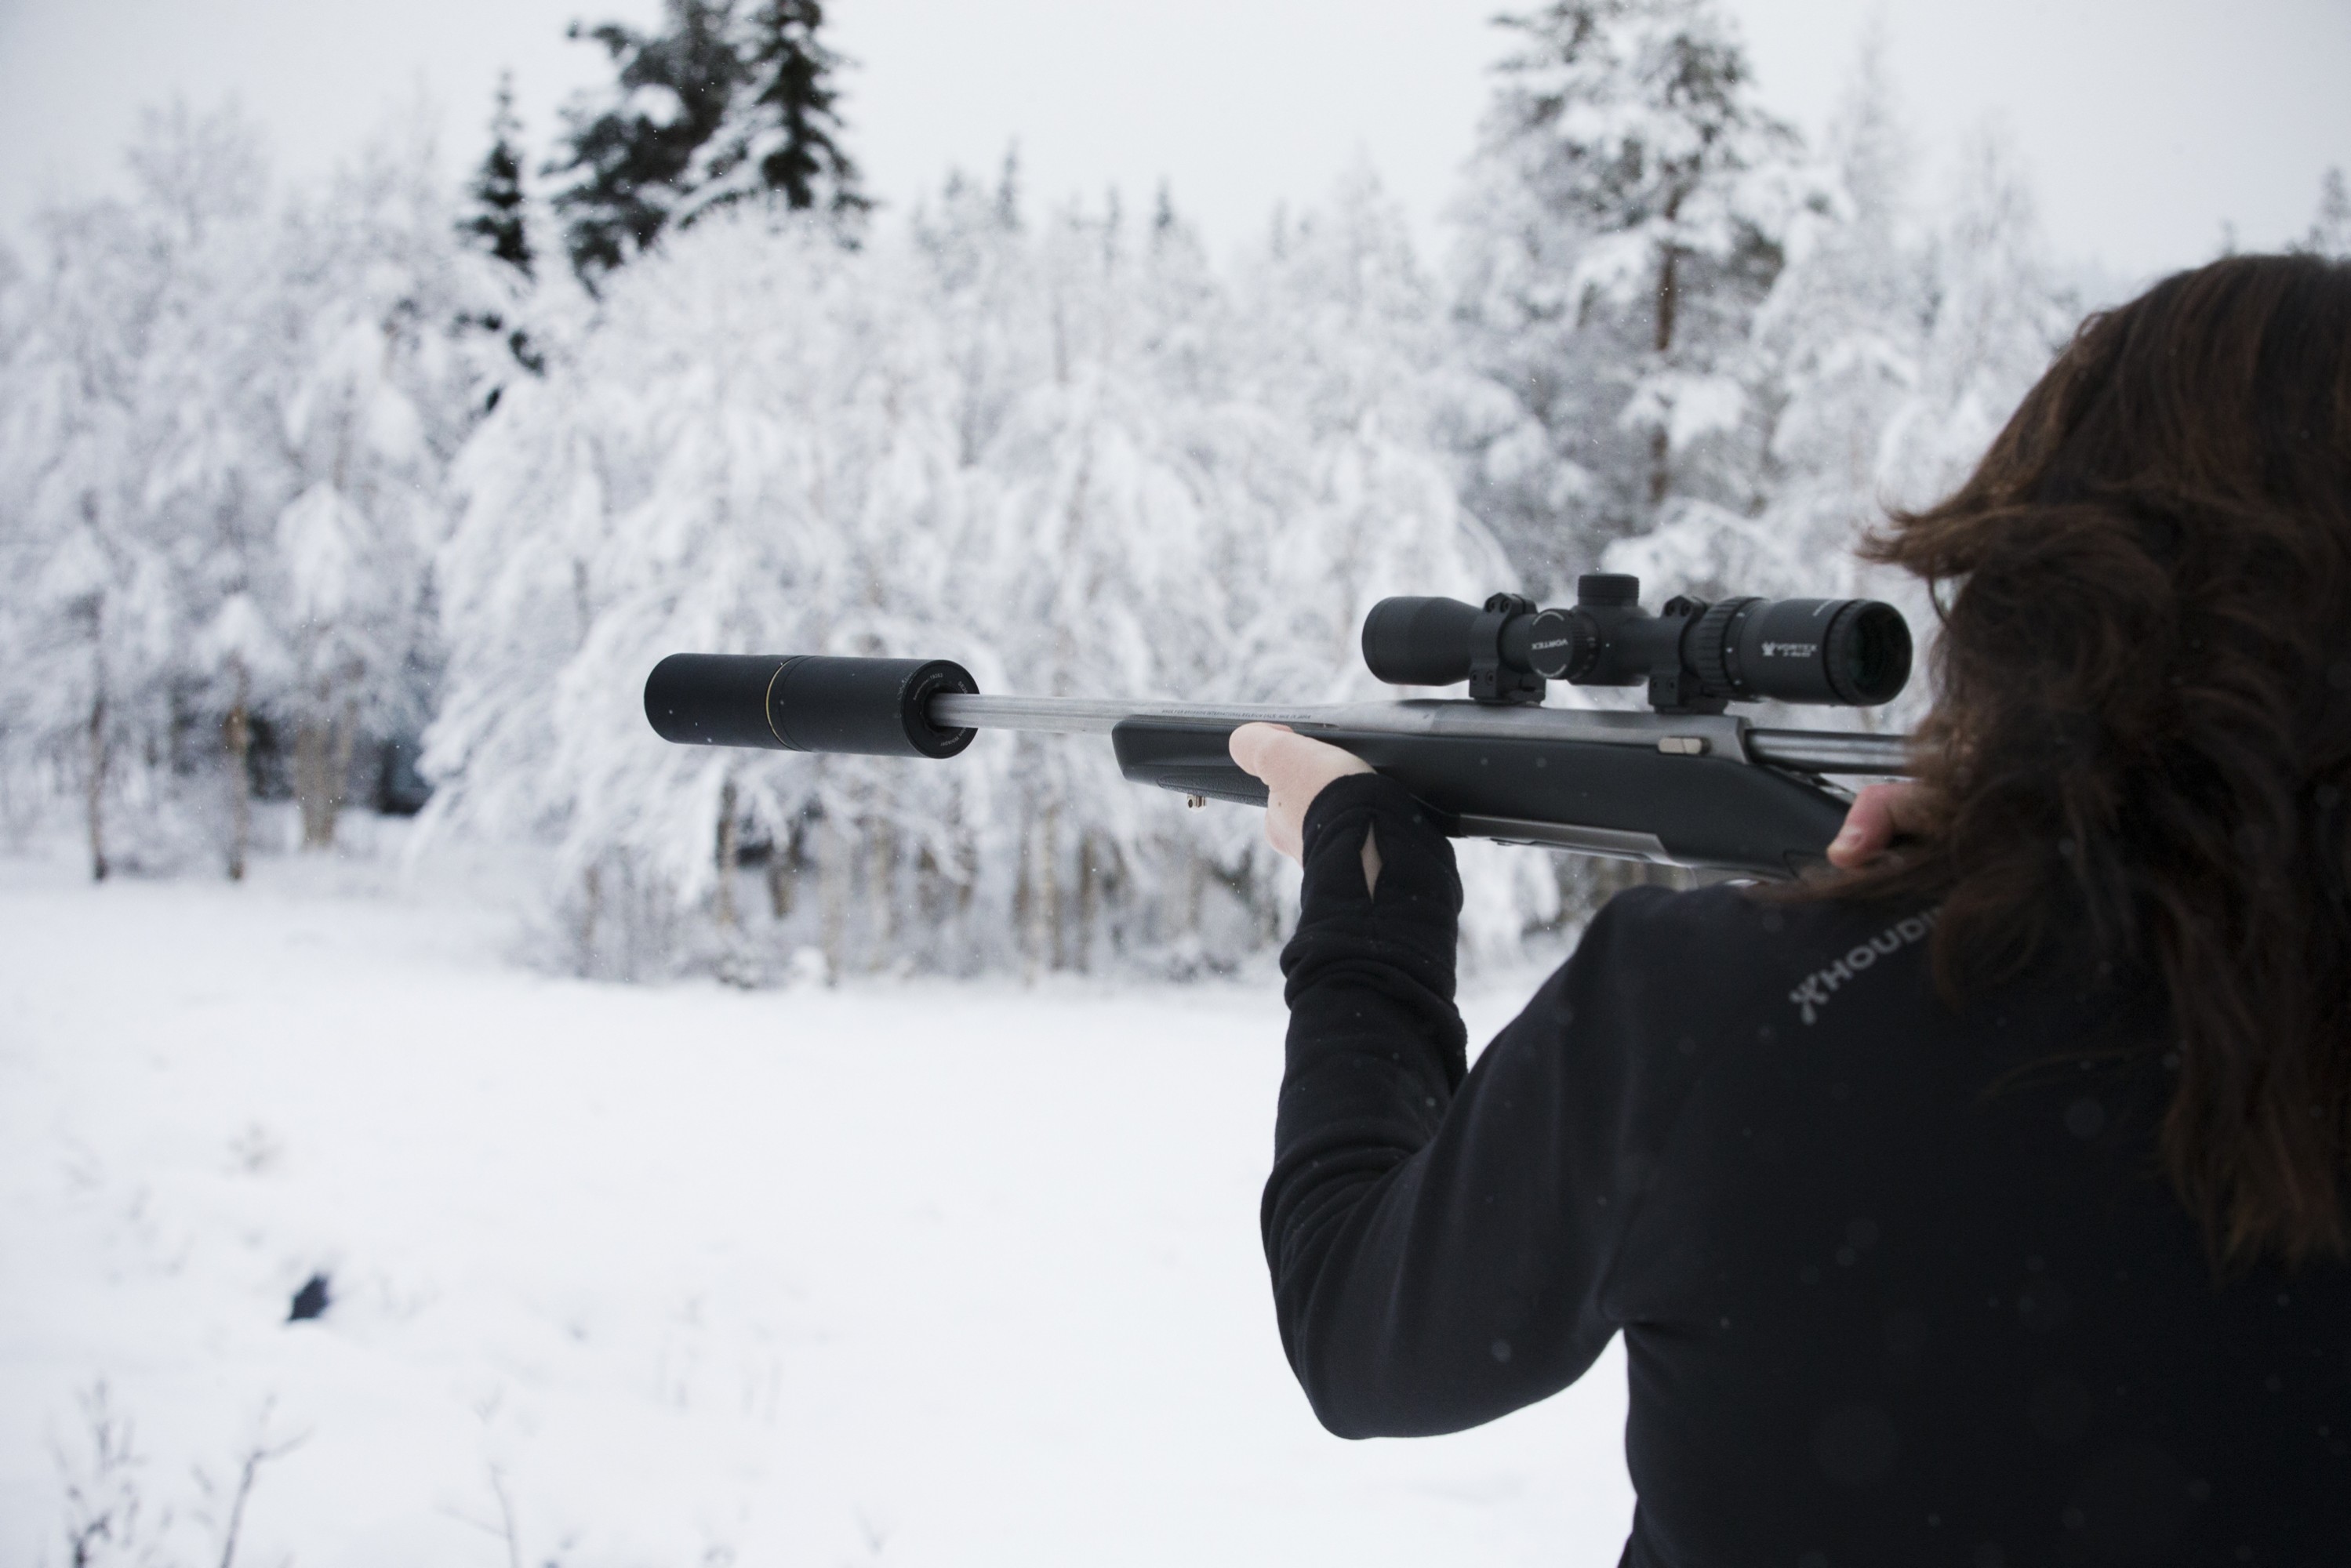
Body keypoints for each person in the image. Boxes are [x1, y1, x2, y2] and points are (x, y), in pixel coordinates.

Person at [1228, 252, 2351, 1567]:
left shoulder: (1705, 1015)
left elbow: (1360, 1334)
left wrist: (1367, 910)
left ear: (2042, 575)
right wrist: (2019, 841)